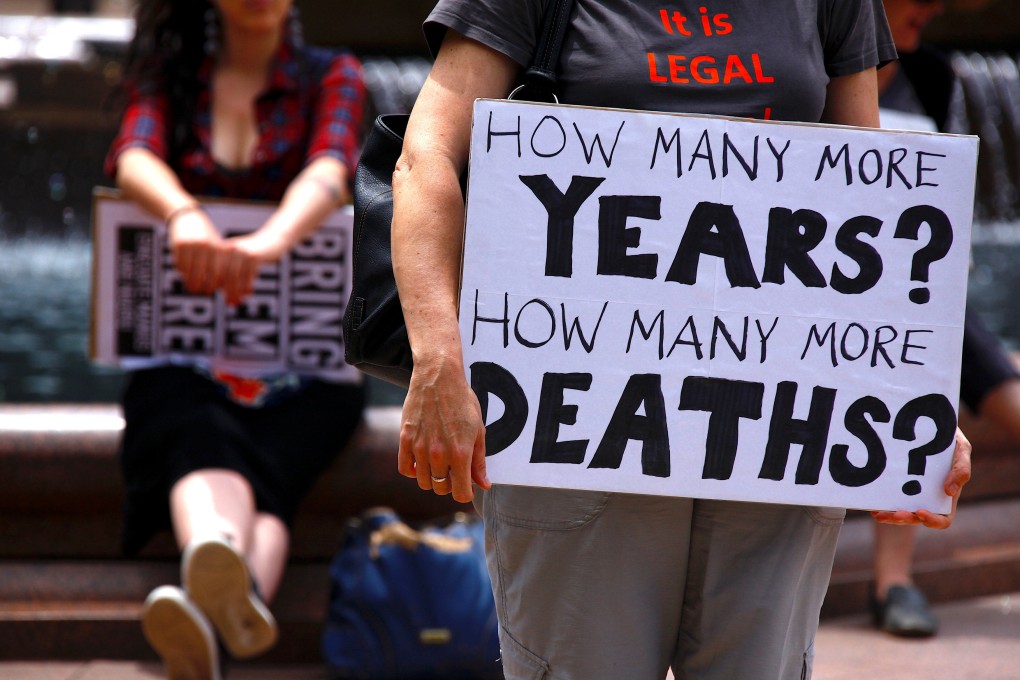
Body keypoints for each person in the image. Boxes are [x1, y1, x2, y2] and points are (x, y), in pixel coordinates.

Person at [390, 1, 973, 678]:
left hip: (775, 432)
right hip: (577, 429)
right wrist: (438, 360)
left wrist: (910, 398)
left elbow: (865, 195)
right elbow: (425, 156)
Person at [104, 1, 366, 677]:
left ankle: (214, 593)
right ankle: (229, 584)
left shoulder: (333, 75)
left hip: (305, 373)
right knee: (195, 420)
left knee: (268, 449)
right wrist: (184, 216)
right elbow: (134, 156)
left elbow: (332, 170)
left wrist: (268, 244)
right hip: (187, 363)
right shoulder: (167, 73)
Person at [869, 0, 1020, 638]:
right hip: (857, 293)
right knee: (927, 396)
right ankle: (892, 585)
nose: (930, 11)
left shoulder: (932, 72)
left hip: (931, 297)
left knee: (1010, 400)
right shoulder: (818, 70)